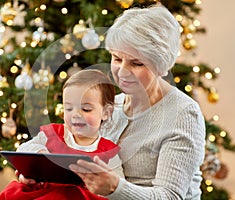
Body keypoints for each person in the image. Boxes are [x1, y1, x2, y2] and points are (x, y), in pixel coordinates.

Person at [68, 4, 206, 200]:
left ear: (161, 64)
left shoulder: (183, 114)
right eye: (117, 59)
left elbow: (170, 196)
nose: (122, 71)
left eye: (136, 63)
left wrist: (115, 188)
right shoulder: (110, 107)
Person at [0, 69, 122, 200]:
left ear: (106, 112)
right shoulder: (53, 135)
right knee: (13, 190)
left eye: (86, 109)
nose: (76, 115)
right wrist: (40, 157)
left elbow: (118, 189)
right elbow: (23, 150)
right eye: (68, 108)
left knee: (69, 193)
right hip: (45, 194)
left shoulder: (109, 153)